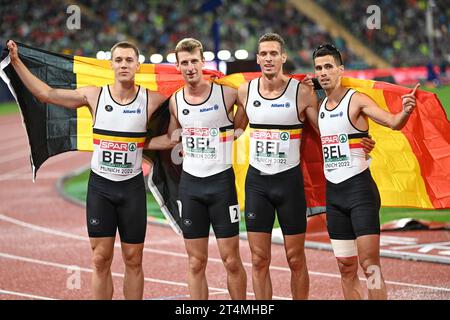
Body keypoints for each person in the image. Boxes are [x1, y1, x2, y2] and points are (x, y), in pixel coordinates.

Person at [6, 40, 175, 299]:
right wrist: (16, 62)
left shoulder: (151, 100)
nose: (124, 65)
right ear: (111, 65)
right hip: (101, 189)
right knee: (100, 259)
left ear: (138, 65)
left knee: (133, 259)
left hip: (131, 189)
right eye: (118, 60)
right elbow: (47, 94)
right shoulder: (94, 95)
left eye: (129, 60)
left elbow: (187, 105)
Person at [313, 43, 419, 300]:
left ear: (341, 69)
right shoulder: (319, 108)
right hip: (334, 196)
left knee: (369, 264)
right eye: (318, 68)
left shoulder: (356, 99)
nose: (323, 72)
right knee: (345, 267)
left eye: (328, 66)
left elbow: (393, 122)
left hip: (360, 192)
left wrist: (405, 110)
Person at [167, 38, 247, 300]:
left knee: (231, 260)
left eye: (194, 61)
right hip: (190, 188)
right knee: (195, 262)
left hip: (221, 184)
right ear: (177, 66)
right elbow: (172, 137)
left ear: (203, 62)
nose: (190, 67)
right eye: (184, 63)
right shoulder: (175, 100)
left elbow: (242, 124)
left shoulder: (227, 94)